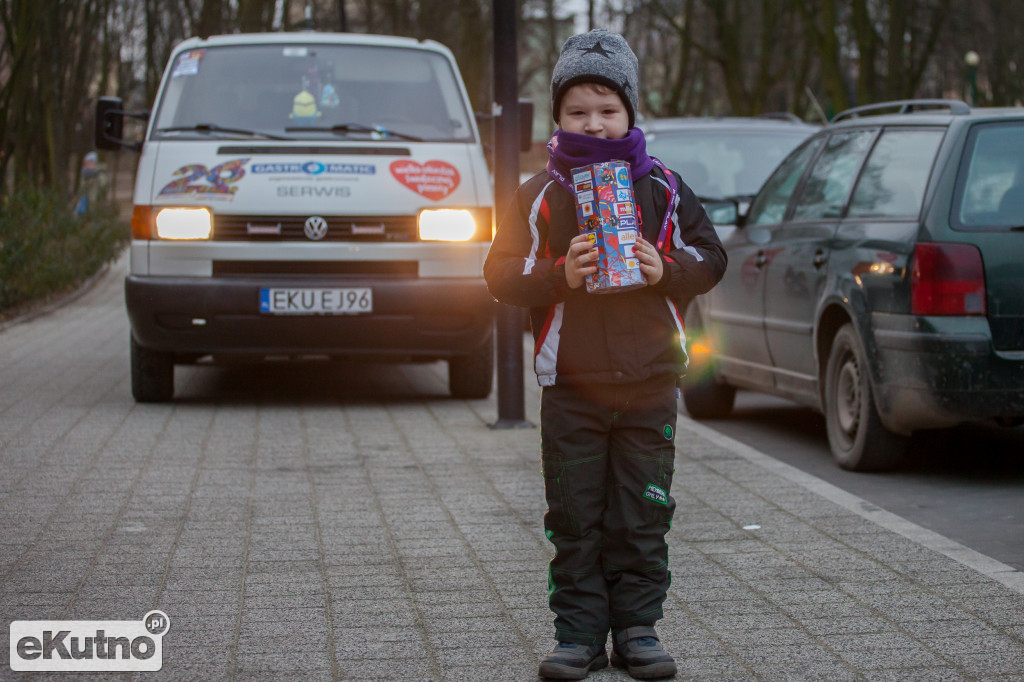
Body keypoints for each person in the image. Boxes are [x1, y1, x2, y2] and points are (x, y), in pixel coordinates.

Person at [483, 29, 727, 680]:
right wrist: (558, 276)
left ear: (630, 113)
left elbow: (712, 259)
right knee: (575, 514)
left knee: (642, 510)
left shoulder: (665, 189)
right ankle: (579, 636)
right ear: (558, 117)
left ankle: (639, 630)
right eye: (578, 111)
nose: (594, 122)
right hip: (572, 384)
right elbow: (500, 273)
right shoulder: (540, 194)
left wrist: (665, 267)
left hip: (650, 381)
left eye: (607, 109)